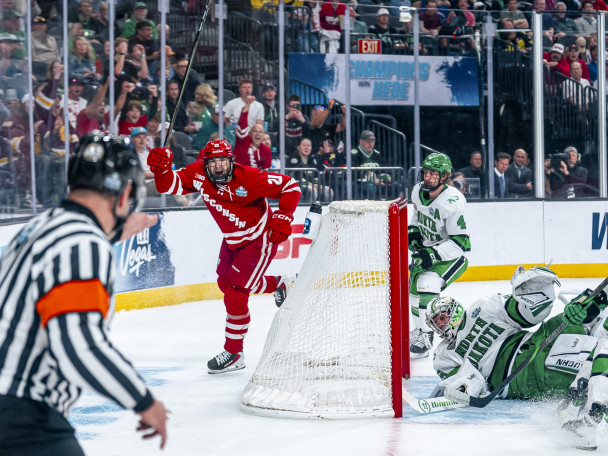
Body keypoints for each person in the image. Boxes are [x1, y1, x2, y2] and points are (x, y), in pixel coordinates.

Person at [0, 132, 168, 454]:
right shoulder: (83, 242)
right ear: (125, 196)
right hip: (21, 417)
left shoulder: (40, 226)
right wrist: (143, 401)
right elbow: (79, 345)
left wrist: (107, 234)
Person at [147, 139, 301, 373]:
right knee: (224, 283)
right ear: (205, 164)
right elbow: (167, 186)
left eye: (223, 161)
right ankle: (279, 283)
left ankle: (234, 353)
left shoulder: (249, 178)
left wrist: (284, 217)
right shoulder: (197, 174)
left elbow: (290, 187)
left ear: (231, 161)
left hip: (259, 239)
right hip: (232, 241)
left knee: (236, 294)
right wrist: (162, 169)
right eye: (213, 162)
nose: (219, 167)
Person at [427, 266, 608, 450]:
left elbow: (524, 314)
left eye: (442, 317)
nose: (440, 324)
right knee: (591, 364)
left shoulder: (482, 307)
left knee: (590, 317)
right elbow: (472, 385)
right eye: (436, 323)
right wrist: (453, 387)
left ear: (454, 310)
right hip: (521, 374)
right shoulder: (443, 357)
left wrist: (530, 294)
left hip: (539, 337)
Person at [408, 152, 470, 358]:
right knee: (414, 294)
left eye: (433, 174)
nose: (428, 177)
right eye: (426, 172)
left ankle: (430, 336)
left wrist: (431, 255)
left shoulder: (453, 201)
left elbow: (460, 243)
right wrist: (415, 236)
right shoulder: (417, 191)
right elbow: (417, 216)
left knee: (427, 284)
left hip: (451, 256)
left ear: (445, 177)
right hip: (428, 251)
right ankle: (421, 333)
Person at [350, 129, 403, 200]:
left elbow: (383, 170)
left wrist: (387, 178)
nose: (370, 144)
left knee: (397, 185)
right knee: (371, 187)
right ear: (361, 141)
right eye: (368, 142)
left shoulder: (377, 154)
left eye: (372, 142)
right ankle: (371, 210)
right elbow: (355, 174)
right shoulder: (354, 154)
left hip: (377, 181)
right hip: (361, 183)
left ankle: (393, 208)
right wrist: (373, 180)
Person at [233, 96, 272, 169]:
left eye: (260, 132)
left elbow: (265, 172)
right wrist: (247, 105)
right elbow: (242, 124)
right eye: (255, 131)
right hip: (237, 177)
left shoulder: (266, 150)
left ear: (263, 135)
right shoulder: (243, 140)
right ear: (250, 134)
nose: (258, 134)